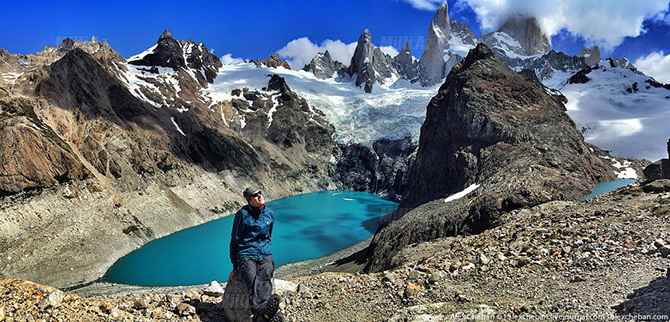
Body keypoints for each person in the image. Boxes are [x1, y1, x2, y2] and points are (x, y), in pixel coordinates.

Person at [229, 186, 281, 322]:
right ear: (249, 200)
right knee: (252, 280)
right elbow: (235, 239)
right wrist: (235, 267)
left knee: (266, 274)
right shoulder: (242, 214)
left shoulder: (269, 213)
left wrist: (266, 251)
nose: (260, 196)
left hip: (264, 253)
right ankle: (264, 313)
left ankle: (261, 315)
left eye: (260, 193)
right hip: (246, 253)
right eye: (256, 195)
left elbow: (268, 236)